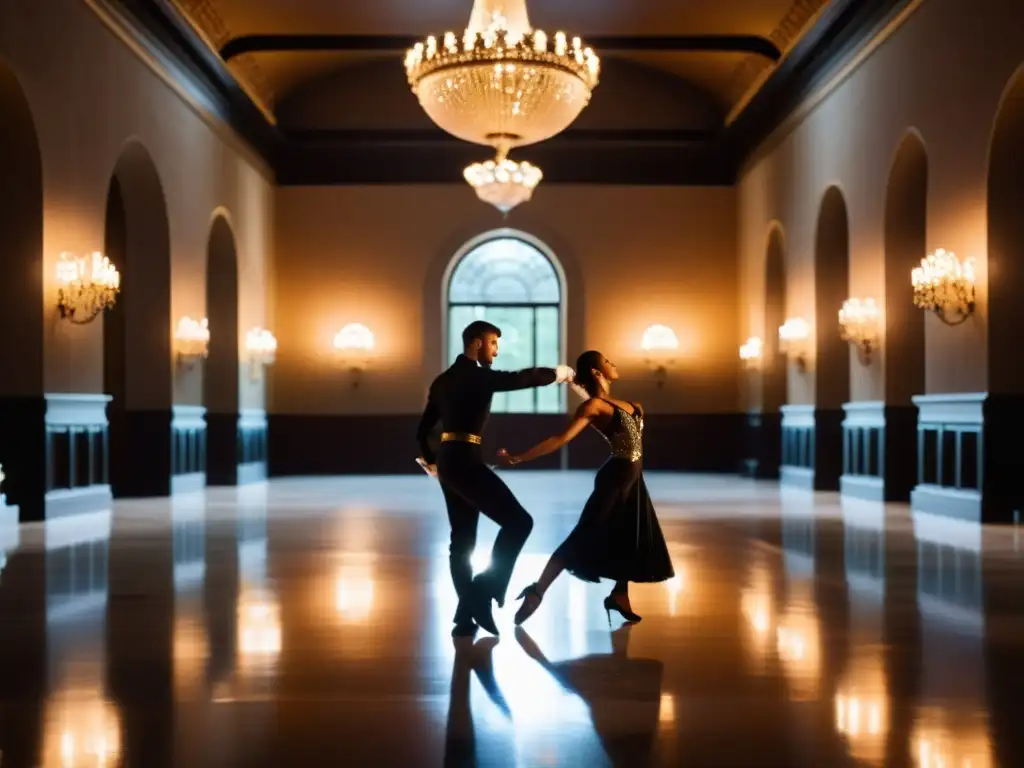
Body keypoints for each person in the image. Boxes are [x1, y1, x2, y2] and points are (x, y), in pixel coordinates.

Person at [417, 320, 575, 637]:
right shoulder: (476, 376)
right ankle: (483, 590)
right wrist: (560, 374)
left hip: (449, 460)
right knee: (520, 522)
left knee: (461, 540)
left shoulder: (442, 381)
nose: (496, 351)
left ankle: (465, 617)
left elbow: (423, 431)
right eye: (493, 344)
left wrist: (434, 464)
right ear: (476, 343)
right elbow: (521, 379)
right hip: (464, 460)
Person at [496, 350, 674, 626]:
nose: (614, 363)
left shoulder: (633, 405)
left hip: (633, 480)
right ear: (596, 372)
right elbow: (560, 438)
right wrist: (518, 457)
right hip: (615, 478)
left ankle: (619, 594)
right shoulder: (593, 408)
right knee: (584, 534)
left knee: (627, 536)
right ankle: (537, 590)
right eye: (607, 361)